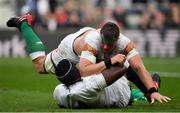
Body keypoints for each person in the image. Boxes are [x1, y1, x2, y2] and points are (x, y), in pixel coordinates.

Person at [7, 13, 170, 103]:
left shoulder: (124, 42)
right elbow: (84, 71)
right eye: (104, 44)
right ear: (101, 38)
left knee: (123, 65)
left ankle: (144, 93)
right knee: (40, 66)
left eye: (110, 46)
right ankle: (24, 24)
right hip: (69, 50)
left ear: (117, 40)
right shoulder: (91, 43)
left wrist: (152, 90)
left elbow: (138, 67)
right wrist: (108, 61)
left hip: (91, 53)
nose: (106, 48)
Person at [53, 58, 131, 108]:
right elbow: (122, 68)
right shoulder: (89, 85)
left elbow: (61, 103)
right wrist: (112, 61)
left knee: (96, 64)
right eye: (74, 67)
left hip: (99, 96)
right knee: (122, 62)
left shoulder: (59, 90)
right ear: (74, 71)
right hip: (121, 96)